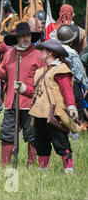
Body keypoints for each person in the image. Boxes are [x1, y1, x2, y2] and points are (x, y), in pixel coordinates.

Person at [18, 39, 80, 173]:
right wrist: (24, 89)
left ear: (50, 53)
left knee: (62, 144)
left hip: (55, 113)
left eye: (43, 51)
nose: (40, 53)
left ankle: (68, 172)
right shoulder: (41, 71)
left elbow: (67, 90)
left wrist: (71, 106)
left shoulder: (61, 69)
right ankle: (42, 173)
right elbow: (36, 92)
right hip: (39, 113)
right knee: (41, 145)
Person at [0, 23, 43, 167]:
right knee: (7, 135)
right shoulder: (9, 54)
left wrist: (28, 89)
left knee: (32, 136)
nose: (26, 39)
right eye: (22, 36)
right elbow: (5, 74)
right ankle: (4, 166)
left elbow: (42, 82)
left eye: (28, 36)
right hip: (11, 102)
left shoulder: (38, 55)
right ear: (17, 38)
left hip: (31, 103)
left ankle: (31, 166)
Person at [56, 24, 88, 124]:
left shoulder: (54, 51)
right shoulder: (73, 55)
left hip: (57, 85)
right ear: (71, 40)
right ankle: (74, 135)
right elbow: (80, 74)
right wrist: (86, 85)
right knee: (75, 114)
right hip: (72, 85)